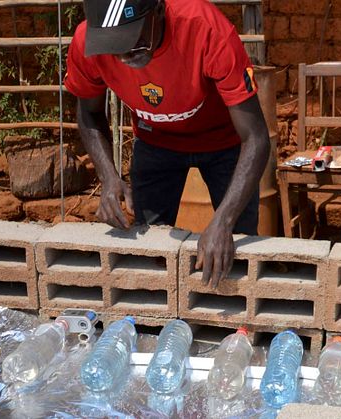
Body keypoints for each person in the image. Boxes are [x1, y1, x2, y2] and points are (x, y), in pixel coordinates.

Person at [65, 0, 270, 287]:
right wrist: (109, 177)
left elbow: (256, 137)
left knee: (231, 246)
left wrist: (223, 222)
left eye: (135, 43)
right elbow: (89, 112)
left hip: (224, 143)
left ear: (158, 11)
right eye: (114, 46)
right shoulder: (86, 42)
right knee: (148, 249)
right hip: (155, 142)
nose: (124, 57)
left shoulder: (206, 29)